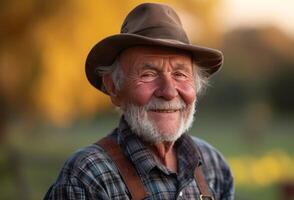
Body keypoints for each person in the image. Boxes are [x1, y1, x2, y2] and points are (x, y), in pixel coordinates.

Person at [45, 3, 234, 200]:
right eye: (148, 74)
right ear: (114, 88)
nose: (169, 92)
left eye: (180, 74)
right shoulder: (86, 177)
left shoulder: (214, 166)